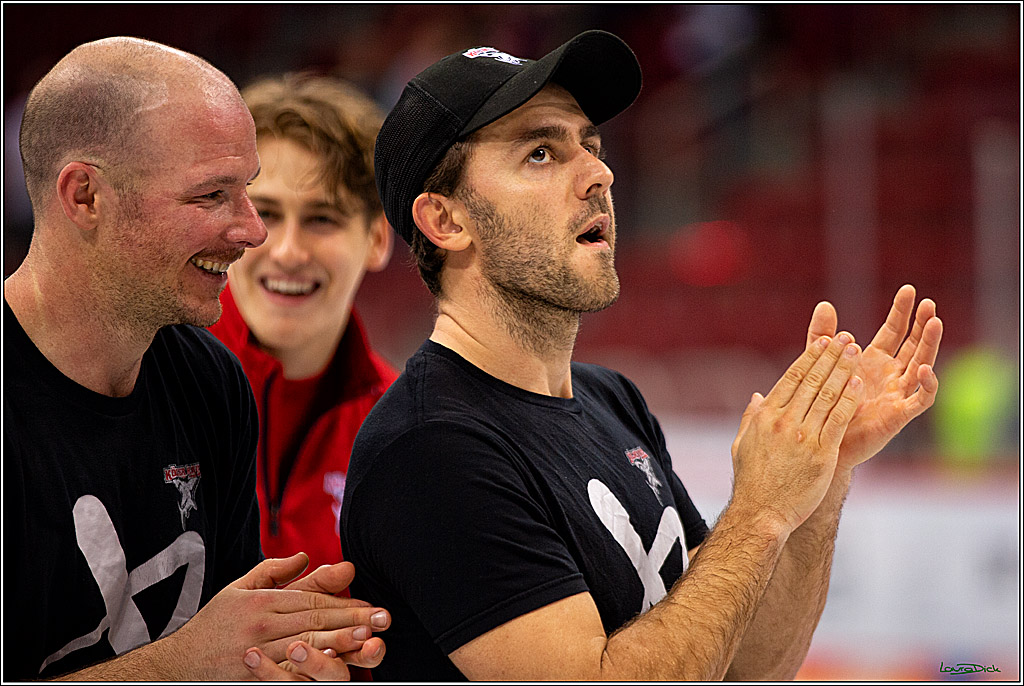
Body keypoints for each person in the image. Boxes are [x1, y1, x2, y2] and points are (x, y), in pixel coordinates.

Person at [340, 30, 943, 680]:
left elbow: (744, 669)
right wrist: (759, 512)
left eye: (590, 146)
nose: (600, 173)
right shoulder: (432, 448)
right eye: (541, 152)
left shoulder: (609, 399)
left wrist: (820, 480)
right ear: (446, 221)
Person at [3, 37, 389, 681]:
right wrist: (182, 664)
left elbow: (227, 651)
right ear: (85, 197)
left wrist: (289, 654)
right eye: (212, 196)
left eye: (247, 192)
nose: (254, 231)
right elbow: (199, 656)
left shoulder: (208, 381)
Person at [208, 74, 396, 578]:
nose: (288, 251)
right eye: (265, 212)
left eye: (322, 219)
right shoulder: (142, 386)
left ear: (378, 238)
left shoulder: (403, 430)